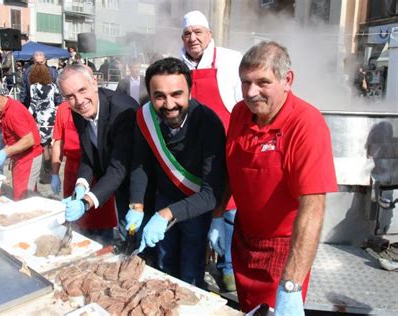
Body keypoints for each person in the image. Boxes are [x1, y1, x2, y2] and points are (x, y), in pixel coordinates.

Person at [225, 41, 337, 314]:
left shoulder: (306, 124)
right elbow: (231, 171)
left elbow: (313, 208)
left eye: (263, 82)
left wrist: (291, 285)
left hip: (283, 249)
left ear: (287, 80)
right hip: (243, 241)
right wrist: (219, 214)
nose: (251, 93)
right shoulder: (240, 113)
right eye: (245, 82)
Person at [125, 57, 226, 287]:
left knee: (190, 272)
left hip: (196, 205)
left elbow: (211, 193)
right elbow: (139, 163)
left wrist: (165, 215)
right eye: (159, 96)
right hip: (164, 198)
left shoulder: (209, 124)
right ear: (149, 95)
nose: (169, 104)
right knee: (164, 266)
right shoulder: (145, 117)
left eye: (176, 94)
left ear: (190, 92)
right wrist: (136, 205)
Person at [180, 10, 243, 292]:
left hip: (226, 146)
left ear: (209, 35)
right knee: (198, 207)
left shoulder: (231, 60)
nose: (193, 38)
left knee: (229, 209)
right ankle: (198, 265)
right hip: (190, 151)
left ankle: (228, 266)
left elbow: (244, 106)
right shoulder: (175, 63)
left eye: (198, 32)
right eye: (187, 34)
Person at [57, 64, 139, 243]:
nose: (79, 100)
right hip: (117, 185)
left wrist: (86, 202)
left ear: (94, 82)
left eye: (82, 90)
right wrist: (81, 184)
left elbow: (119, 168)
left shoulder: (122, 110)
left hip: (140, 188)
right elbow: (89, 153)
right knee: (127, 242)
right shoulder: (79, 110)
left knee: (143, 247)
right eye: (70, 96)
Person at [0, 86, 43, 201]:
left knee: (23, 197)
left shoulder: (13, 112)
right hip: (21, 157)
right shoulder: (7, 110)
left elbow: (29, 140)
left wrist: (4, 152)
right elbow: (14, 134)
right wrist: (1, 144)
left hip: (28, 157)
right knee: (26, 193)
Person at [28, 63, 63, 184]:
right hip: (53, 117)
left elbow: (33, 103)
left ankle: (46, 173)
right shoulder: (53, 85)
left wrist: (27, 115)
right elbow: (59, 99)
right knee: (54, 144)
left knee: (44, 146)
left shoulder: (33, 87)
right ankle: (53, 171)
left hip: (41, 118)